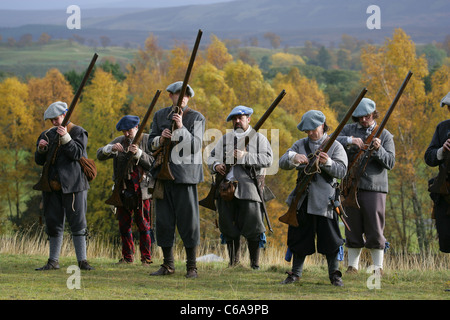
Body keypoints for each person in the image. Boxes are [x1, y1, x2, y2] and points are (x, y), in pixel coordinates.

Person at [279, 110, 347, 286]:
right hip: (302, 200)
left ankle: (334, 274)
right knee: (299, 238)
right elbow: (282, 162)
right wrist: (294, 157)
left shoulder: (336, 146)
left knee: (331, 240)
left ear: (322, 125)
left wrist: (328, 163)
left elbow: (342, 171)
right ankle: (295, 273)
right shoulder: (299, 145)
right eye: (307, 130)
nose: (310, 133)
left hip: (326, 201)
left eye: (313, 129)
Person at [148, 81, 205, 278]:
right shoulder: (159, 115)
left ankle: (191, 267)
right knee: (163, 222)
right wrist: (160, 140)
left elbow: (195, 146)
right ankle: (167, 265)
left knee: (189, 223)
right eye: (177, 95)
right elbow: (150, 143)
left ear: (189, 97)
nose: (181, 98)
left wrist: (180, 128)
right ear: (170, 96)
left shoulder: (197, 118)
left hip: (185, 177)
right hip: (163, 176)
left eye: (184, 95)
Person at [207, 105, 273, 269]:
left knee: (253, 227)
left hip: (249, 188)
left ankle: (254, 264)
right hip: (225, 189)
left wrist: (245, 156)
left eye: (240, 118)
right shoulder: (225, 139)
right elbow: (211, 157)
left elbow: (268, 159)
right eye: (234, 119)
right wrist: (216, 166)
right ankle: (233, 263)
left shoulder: (259, 138)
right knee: (228, 226)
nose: (237, 121)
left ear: (248, 119)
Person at [336, 98, 395, 275]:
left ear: (373, 114)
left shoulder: (385, 135)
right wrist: (350, 140)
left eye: (367, 116)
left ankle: (378, 268)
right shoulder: (348, 130)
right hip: (350, 186)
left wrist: (379, 149)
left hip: (374, 187)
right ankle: (352, 266)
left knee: (375, 228)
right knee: (351, 227)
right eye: (360, 117)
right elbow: (331, 141)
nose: (363, 120)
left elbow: (390, 162)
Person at [34, 101, 94, 271]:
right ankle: (53, 261)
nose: (54, 122)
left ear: (65, 115)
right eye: (51, 120)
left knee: (78, 223)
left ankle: (82, 261)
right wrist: (41, 149)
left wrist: (66, 138)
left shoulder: (78, 132)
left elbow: (77, 153)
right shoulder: (46, 134)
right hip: (52, 186)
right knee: (53, 223)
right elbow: (39, 160)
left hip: (74, 185)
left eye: (56, 118)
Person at [96, 115, 154, 265]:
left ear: (136, 127)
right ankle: (128, 257)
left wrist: (139, 153)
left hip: (142, 190)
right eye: (124, 131)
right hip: (122, 190)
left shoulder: (147, 140)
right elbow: (99, 154)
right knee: (124, 226)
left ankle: (146, 258)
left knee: (144, 226)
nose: (126, 134)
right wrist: (110, 149)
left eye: (129, 130)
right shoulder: (118, 141)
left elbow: (153, 163)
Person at [424, 92, 450, 254]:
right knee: (446, 238)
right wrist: (442, 151)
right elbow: (429, 157)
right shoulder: (443, 128)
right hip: (445, 191)